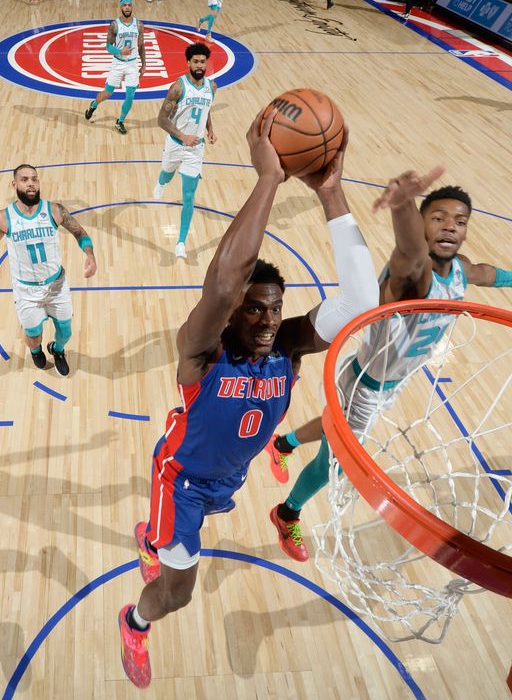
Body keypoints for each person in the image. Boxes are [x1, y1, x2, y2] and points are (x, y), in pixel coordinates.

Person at [118, 108, 398, 689]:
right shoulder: (201, 350)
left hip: (226, 479)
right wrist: (268, 179)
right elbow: (222, 285)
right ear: (231, 316)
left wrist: (331, 195)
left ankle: (156, 537)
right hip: (183, 479)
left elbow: (362, 301)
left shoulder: (287, 347)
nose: (269, 320)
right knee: (177, 593)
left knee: (179, 554)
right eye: (255, 308)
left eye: (274, 307)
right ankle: (135, 622)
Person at [266, 175, 512, 562]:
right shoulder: (414, 273)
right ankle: (287, 512)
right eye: (438, 217)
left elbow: (484, 272)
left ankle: (283, 444)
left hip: (380, 381)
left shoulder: (458, 268)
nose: (450, 226)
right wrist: (401, 205)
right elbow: (407, 253)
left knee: (332, 425)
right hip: (366, 386)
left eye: (459, 221)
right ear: (423, 223)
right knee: (333, 464)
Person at [0, 164, 97, 377]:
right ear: (14, 184)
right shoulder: (3, 218)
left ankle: (57, 350)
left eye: (34, 179)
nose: (31, 183)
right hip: (26, 291)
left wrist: (90, 255)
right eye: (25, 179)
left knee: (66, 332)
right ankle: (36, 350)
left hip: (56, 285)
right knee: (34, 336)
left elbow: (79, 232)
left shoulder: (55, 210)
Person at [152, 42, 217, 259]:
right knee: (167, 174)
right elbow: (161, 119)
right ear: (188, 63)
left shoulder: (212, 87)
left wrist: (210, 130)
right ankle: (160, 183)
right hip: (175, 143)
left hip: (195, 149)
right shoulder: (178, 88)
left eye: (203, 61)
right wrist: (183, 136)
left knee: (189, 196)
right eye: (196, 61)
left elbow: (205, 110)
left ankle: (181, 242)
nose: (200, 65)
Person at [84, 0, 146, 135]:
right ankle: (93, 105)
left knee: (130, 95)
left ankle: (120, 122)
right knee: (108, 93)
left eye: (129, 5)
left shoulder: (139, 25)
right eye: (124, 5)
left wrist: (144, 65)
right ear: (120, 8)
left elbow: (141, 46)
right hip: (118, 63)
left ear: (132, 7)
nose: (127, 7)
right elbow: (107, 47)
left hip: (132, 64)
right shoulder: (114, 25)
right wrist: (120, 51)